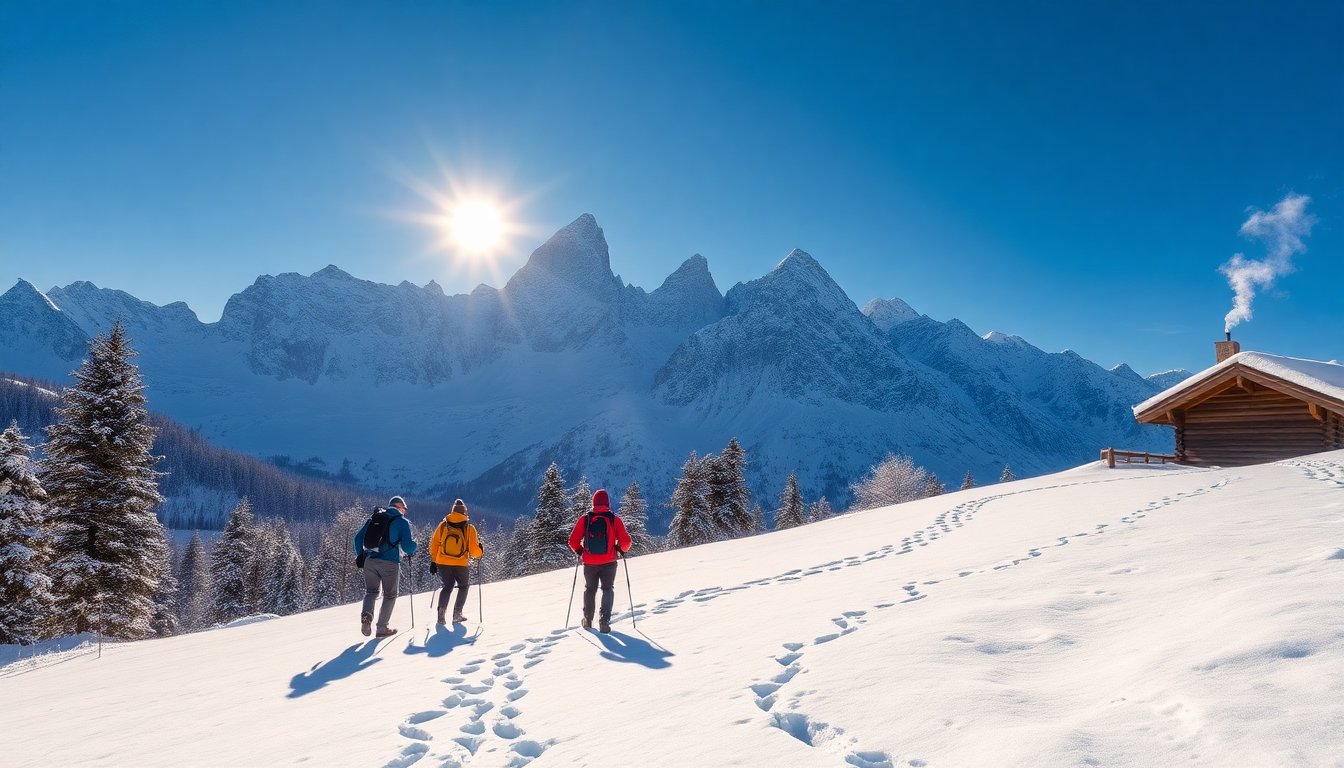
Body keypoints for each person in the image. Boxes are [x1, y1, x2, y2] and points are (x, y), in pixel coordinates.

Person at [568, 488, 631, 633]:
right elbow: (626, 542)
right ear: (608, 503)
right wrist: (620, 549)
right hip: (609, 562)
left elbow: (572, 540)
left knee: (590, 589)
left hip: (589, 563)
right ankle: (604, 621)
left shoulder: (586, 519)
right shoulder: (614, 519)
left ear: (593, 502)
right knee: (607, 589)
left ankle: (588, 619)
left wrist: (580, 551)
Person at [353, 495, 418, 638]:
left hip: (370, 561)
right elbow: (408, 547)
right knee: (390, 595)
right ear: (400, 507)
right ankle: (382, 628)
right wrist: (415, 546)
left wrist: (361, 556)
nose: (404, 512)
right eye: (404, 509)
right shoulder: (402, 522)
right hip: (390, 563)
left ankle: (367, 616)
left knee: (371, 592)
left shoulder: (374, 518)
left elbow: (357, 539)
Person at [429, 498, 484, 624]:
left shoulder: (443, 525)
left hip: (442, 562)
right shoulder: (469, 528)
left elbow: (434, 544)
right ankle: (457, 614)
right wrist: (481, 551)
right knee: (463, 587)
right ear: (465, 513)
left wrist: (433, 561)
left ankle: (441, 615)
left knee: (447, 587)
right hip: (460, 563)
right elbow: (474, 551)